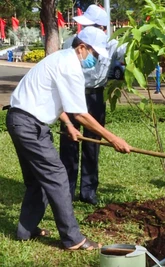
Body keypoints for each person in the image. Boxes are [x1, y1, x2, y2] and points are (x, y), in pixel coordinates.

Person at [6, 26, 131, 250]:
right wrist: (113, 138)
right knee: (57, 178)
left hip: (20, 120)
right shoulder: (71, 66)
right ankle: (73, 238)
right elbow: (81, 114)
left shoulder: (60, 58)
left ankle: (26, 231)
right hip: (29, 125)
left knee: (38, 180)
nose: (95, 59)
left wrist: (68, 125)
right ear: (82, 47)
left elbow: (53, 97)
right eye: (94, 54)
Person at [60, 4, 125, 205]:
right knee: (69, 142)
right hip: (73, 94)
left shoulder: (112, 45)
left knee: (92, 143)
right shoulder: (71, 42)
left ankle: (88, 191)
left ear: (102, 28)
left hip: (95, 97)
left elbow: (128, 53)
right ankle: (67, 191)